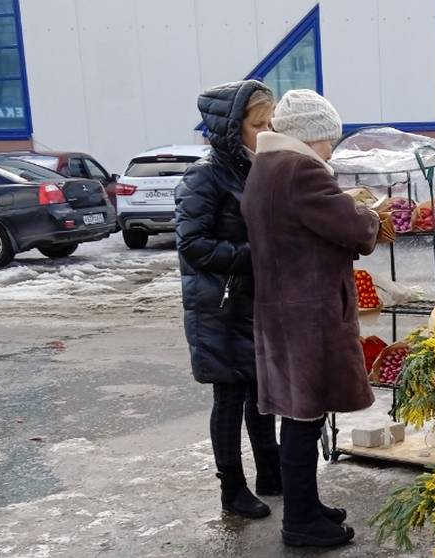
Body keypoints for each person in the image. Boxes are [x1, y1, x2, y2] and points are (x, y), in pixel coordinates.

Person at [243, 90, 385, 548]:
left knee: (299, 413)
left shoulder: (266, 168)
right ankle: (301, 521)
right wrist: (370, 215)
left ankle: (307, 504)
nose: (331, 151)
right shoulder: (301, 169)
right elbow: (354, 228)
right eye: (329, 141)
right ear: (310, 137)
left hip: (282, 309)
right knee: (304, 416)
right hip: (308, 313)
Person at [175, 80, 280, 520]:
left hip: (252, 303)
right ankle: (231, 490)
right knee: (230, 397)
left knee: (262, 393)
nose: (268, 130)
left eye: (271, 121)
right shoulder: (204, 177)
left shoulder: (253, 169)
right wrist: (259, 256)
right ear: (230, 129)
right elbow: (192, 244)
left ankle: (270, 473)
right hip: (218, 306)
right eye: (259, 124)